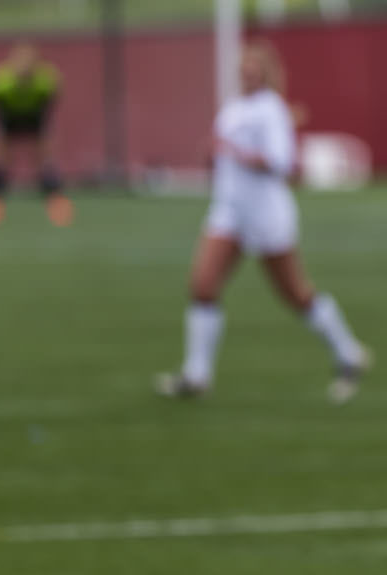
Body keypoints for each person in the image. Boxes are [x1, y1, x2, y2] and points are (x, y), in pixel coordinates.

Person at [155, 42, 369, 402]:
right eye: (244, 67)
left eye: (255, 68)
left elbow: (280, 163)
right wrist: (212, 155)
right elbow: (222, 155)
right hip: (229, 212)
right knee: (203, 286)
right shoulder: (233, 108)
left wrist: (235, 152)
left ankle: (348, 353)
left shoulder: (271, 110)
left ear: (265, 72)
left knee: (296, 294)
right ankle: (197, 375)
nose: (247, 73)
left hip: (266, 214)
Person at [0, 42, 71, 228]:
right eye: (20, 61)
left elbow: (50, 103)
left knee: (45, 157)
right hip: (8, 115)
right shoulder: (0, 82)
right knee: (0, 158)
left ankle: (56, 204)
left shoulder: (45, 81)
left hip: (34, 115)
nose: (24, 66)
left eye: (29, 62)